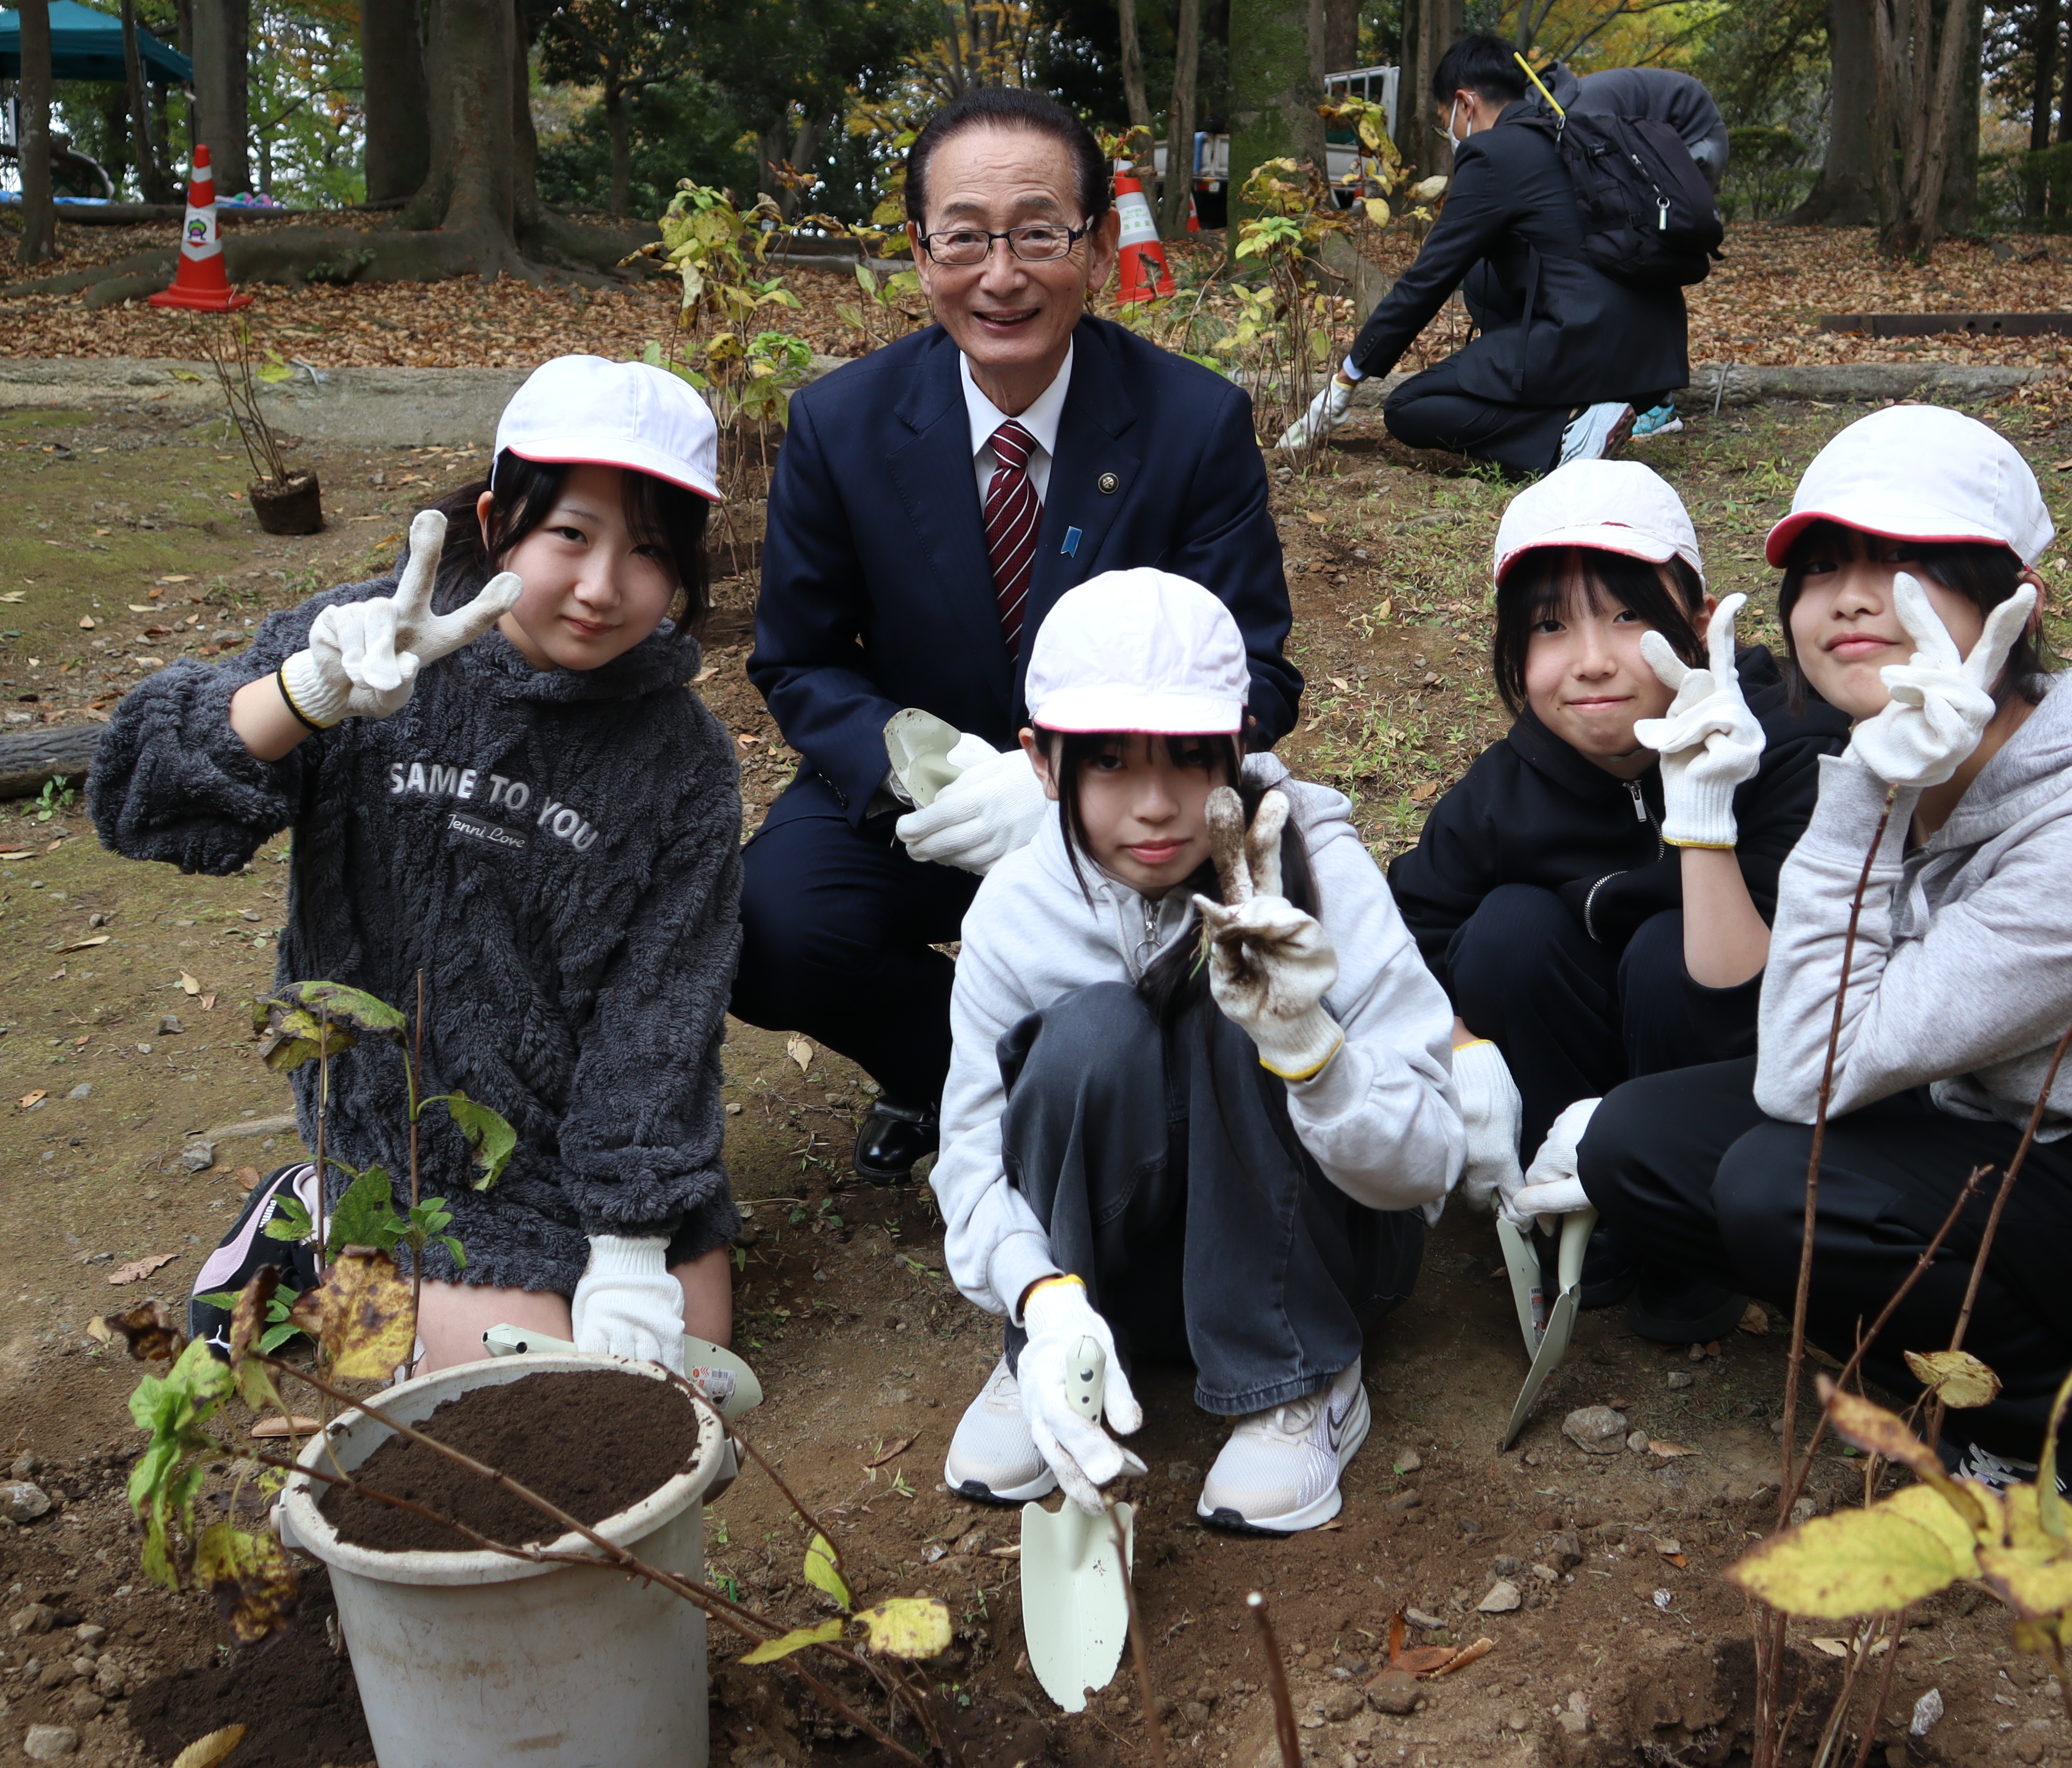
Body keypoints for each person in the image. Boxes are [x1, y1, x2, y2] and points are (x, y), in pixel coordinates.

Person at [1509, 406, 2072, 1517]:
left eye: (1907, 566)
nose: (1852, 597)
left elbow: (1806, 1075)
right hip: (2015, 1126)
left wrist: (1859, 798)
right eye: (1826, 567)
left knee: (1776, 1188)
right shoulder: (1912, 763)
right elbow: (1813, 1039)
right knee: (1636, 1143)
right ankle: (1948, 1339)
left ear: (2014, 605)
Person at [92, 356, 744, 1377]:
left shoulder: (683, 760)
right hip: (411, 1135)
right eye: (570, 534)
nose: (601, 587)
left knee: (691, 1367)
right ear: (498, 519)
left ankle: (492, 1273)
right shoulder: (368, 644)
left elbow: (660, 1013)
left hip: (584, 1136)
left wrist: (627, 1240)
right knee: (535, 1382)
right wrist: (307, 690)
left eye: (649, 551)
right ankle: (310, 1226)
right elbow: (142, 798)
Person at [741, 84, 1302, 1187]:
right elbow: (797, 657)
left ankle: (1126, 1089)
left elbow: (1258, 667)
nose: (1002, 275)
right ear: (920, 253)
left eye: (1040, 232)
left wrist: (1061, 784)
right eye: (966, 238)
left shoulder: (1192, 422)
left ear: (1096, 248)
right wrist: (941, 770)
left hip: (1131, 798)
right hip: (932, 801)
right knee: (766, 923)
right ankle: (956, 1076)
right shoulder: (841, 424)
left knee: (1194, 964)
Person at [928, 570, 1459, 1535]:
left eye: (1187, 759)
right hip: (1119, 1270)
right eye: (1113, 764)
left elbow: (1430, 1154)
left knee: (1232, 1003)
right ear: (1044, 764)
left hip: (1328, 1251)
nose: (1159, 804)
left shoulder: (1322, 870)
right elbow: (970, 1151)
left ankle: (1296, 1374)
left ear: (1242, 746)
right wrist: (1035, 1295)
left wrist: (1314, 1051)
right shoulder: (1013, 909)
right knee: (1086, 1031)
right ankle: (1056, 1355)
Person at [1387, 459, 1843, 1341]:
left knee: (1668, 946)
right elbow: (1397, 934)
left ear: (1702, 623)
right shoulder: (1507, 787)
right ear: (1514, 651)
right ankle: (1574, 1217)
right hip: (1578, 1067)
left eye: (1630, 615)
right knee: (1507, 932)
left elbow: (1789, 986)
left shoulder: (1790, 743)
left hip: (1734, 1075)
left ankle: (1689, 1236)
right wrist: (1461, 1045)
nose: (1592, 660)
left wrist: (1705, 816)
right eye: (1551, 626)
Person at [1277, 34, 1720, 474]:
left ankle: (1570, 432)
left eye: (1443, 120)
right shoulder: (1568, 132)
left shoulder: (1493, 153)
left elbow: (1429, 279)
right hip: (1654, 356)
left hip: (1589, 340)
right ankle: (1586, 408)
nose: (1447, 132)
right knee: (1485, 277)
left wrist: (1348, 377)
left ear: (1466, 103)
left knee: (1410, 406)